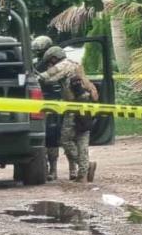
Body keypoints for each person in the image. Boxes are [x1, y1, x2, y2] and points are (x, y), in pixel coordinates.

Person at [37, 46, 98, 182]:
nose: (49, 64)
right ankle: (83, 173)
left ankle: (86, 166)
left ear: (54, 58)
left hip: (74, 107)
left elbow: (46, 77)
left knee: (65, 139)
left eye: (49, 61)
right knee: (82, 137)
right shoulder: (75, 64)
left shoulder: (63, 65)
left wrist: (34, 75)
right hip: (86, 105)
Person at [31, 35, 61, 181]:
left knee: (52, 137)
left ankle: (54, 169)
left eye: (41, 51)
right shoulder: (35, 65)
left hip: (54, 104)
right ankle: (46, 168)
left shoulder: (58, 65)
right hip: (40, 103)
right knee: (43, 137)